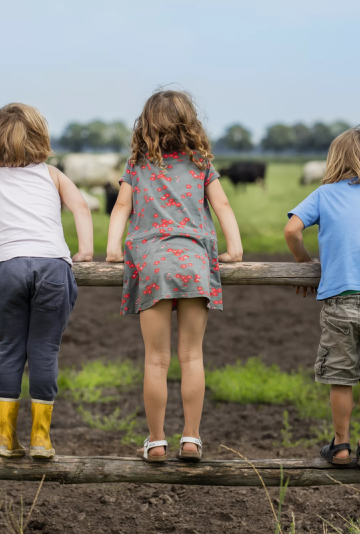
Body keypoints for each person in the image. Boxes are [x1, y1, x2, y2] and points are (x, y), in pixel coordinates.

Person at [106, 90, 243, 462]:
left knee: (156, 360)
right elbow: (223, 204)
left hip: (153, 265)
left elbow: (121, 206)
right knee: (192, 357)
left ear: (146, 125)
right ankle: (192, 438)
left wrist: (113, 248)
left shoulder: (136, 165)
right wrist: (235, 247)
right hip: (194, 264)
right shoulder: (201, 164)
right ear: (190, 123)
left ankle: (156, 441)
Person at [0, 103, 93, 459]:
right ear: (41, 137)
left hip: (9, 266)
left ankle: (5, 439)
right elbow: (81, 208)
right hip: (53, 265)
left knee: (10, 349)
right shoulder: (52, 175)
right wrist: (84, 249)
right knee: (44, 350)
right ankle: (41, 438)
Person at [284, 126, 360, 468]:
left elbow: (292, 229)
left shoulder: (324, 194)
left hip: (341, 301)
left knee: (340, 376)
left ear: (335, 160)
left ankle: (340, 445)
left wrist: (305, 262)